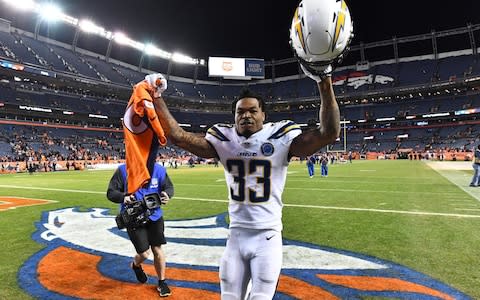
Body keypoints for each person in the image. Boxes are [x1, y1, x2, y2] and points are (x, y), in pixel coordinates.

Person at [145, 58, 339, 297]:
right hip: (235, 236)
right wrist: (155, 95)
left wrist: (324, 80)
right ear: (234, 117)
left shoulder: (280, 137)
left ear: (263, 115)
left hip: (267, 237)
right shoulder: (224, 140)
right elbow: (178, 136)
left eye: (252, 111)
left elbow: (328, 133)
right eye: (240, 112)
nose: (246, 115)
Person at [106, 162, 174, 297]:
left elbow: (169, 187)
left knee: (157, 249)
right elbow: (110, 193)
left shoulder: (159, 169)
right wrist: (124, 197)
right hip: (133, 218)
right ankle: (136, 265)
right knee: (144, 253)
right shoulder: (123, 170)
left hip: (155, 215)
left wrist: (167, 194)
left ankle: (162, 282)